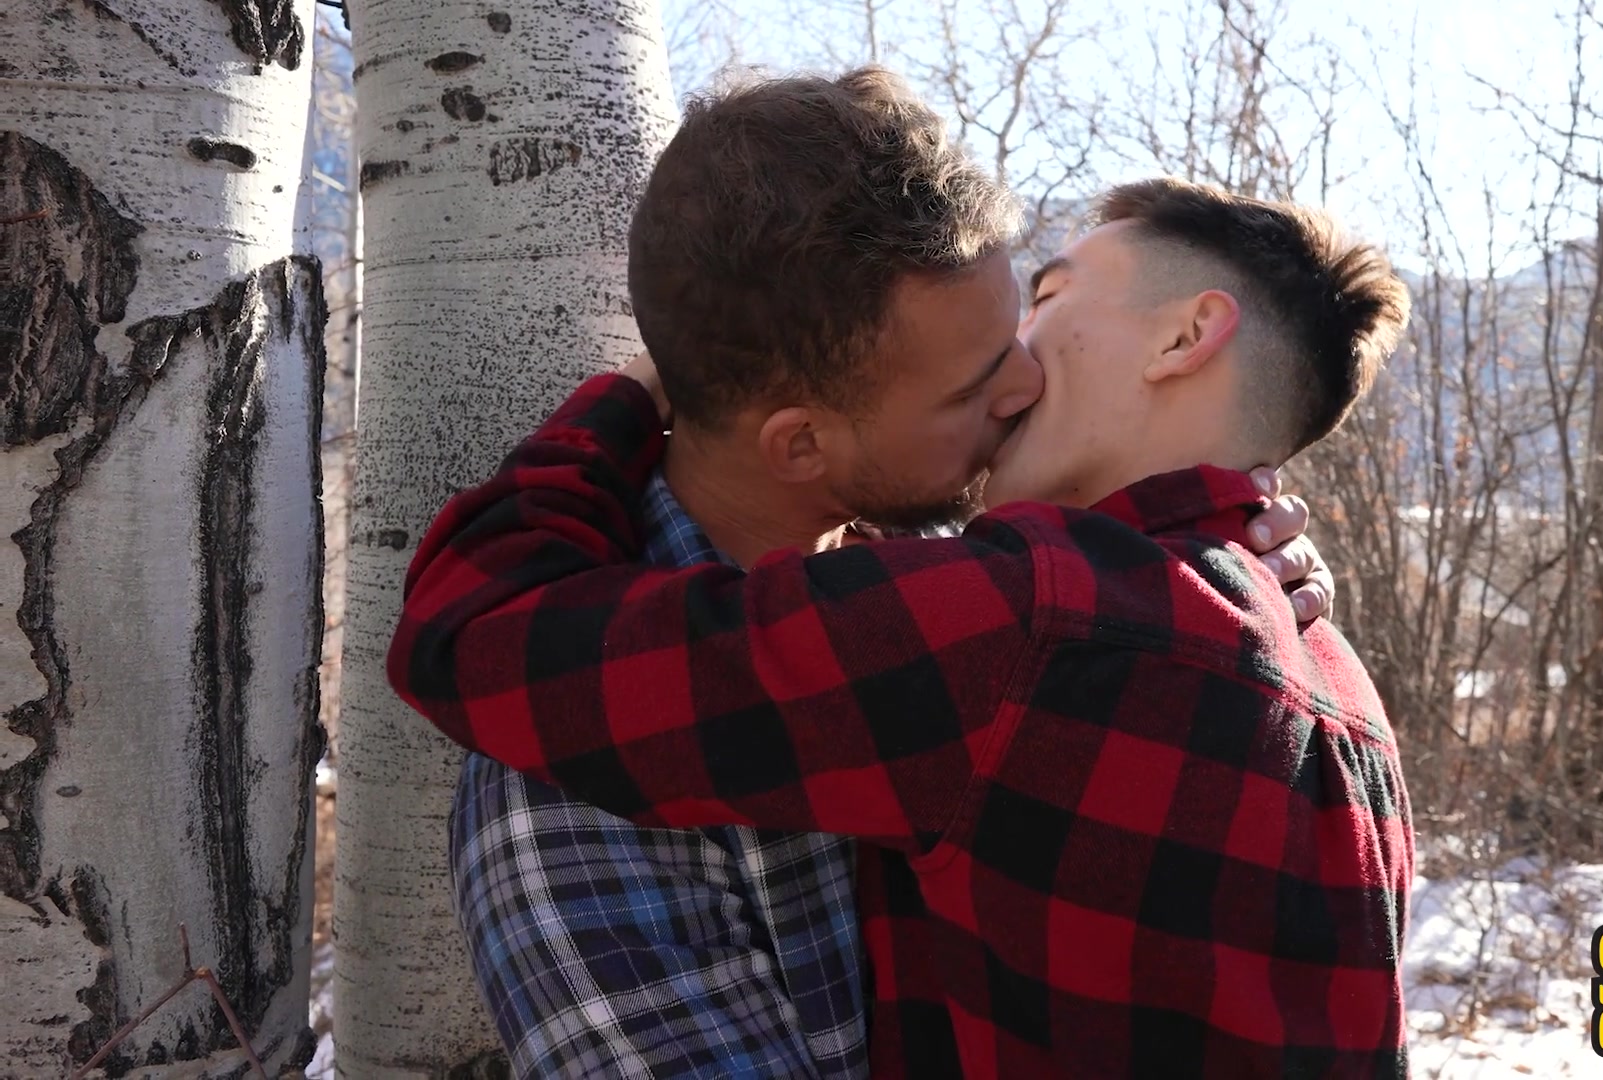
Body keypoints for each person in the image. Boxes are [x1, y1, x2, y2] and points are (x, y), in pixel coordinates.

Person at [392, 164, 1416, 1075]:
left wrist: (637, 387)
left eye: (1047, 299)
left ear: (1186, 337)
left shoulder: (1031, 625)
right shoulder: (1342, 692)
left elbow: (479, 630)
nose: (1016, 366)